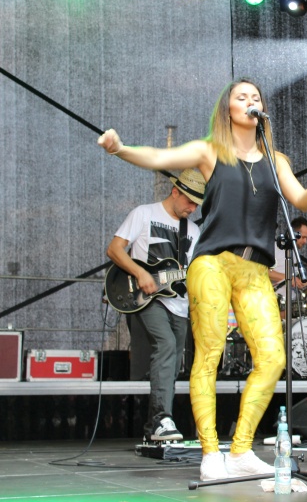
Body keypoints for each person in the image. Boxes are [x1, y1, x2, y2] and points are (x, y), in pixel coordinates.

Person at [97, 77, 307, 481]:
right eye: (241, 96)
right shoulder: (210, 150)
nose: (250, 101)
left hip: (254, 269)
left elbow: (300, 199)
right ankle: (211, 451)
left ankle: (241, 449)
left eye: (255, 97)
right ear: (227, 108)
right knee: (208, 353)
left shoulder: (276, 159)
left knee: (273, 358)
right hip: (211, 262)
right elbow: (159, 157)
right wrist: (120, 148)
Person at [106, 169, 205, 442]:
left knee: (172, 363)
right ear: (175, 191)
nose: (192, 208)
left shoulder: (193, 230)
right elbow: (114, 249)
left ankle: (154, 427)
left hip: (179, 304)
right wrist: (140, 273)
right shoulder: (144, 213)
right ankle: (162, 418)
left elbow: (192, 270)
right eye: (189, 202)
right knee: (166, 344)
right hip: (147, 298)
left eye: (197, 204)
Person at [269, 216, 307, 318]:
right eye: (303, 237)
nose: (305, 242)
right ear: (293, 234)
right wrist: (289, 279)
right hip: (275, 304)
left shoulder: (294, 254)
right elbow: (263, 271)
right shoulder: (274, 248)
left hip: (292, 304)